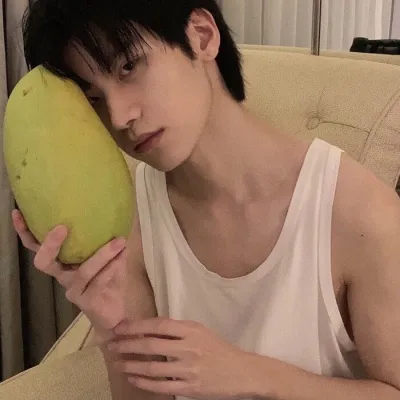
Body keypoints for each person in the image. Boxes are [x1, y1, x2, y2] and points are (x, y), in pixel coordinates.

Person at [12, 1, 400, 399]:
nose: (118, 116)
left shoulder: (360, 213)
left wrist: (252, 374)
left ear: (201, 36)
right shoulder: (132, 218)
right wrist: (114, 328)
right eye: (94, 98)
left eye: (128, 67)